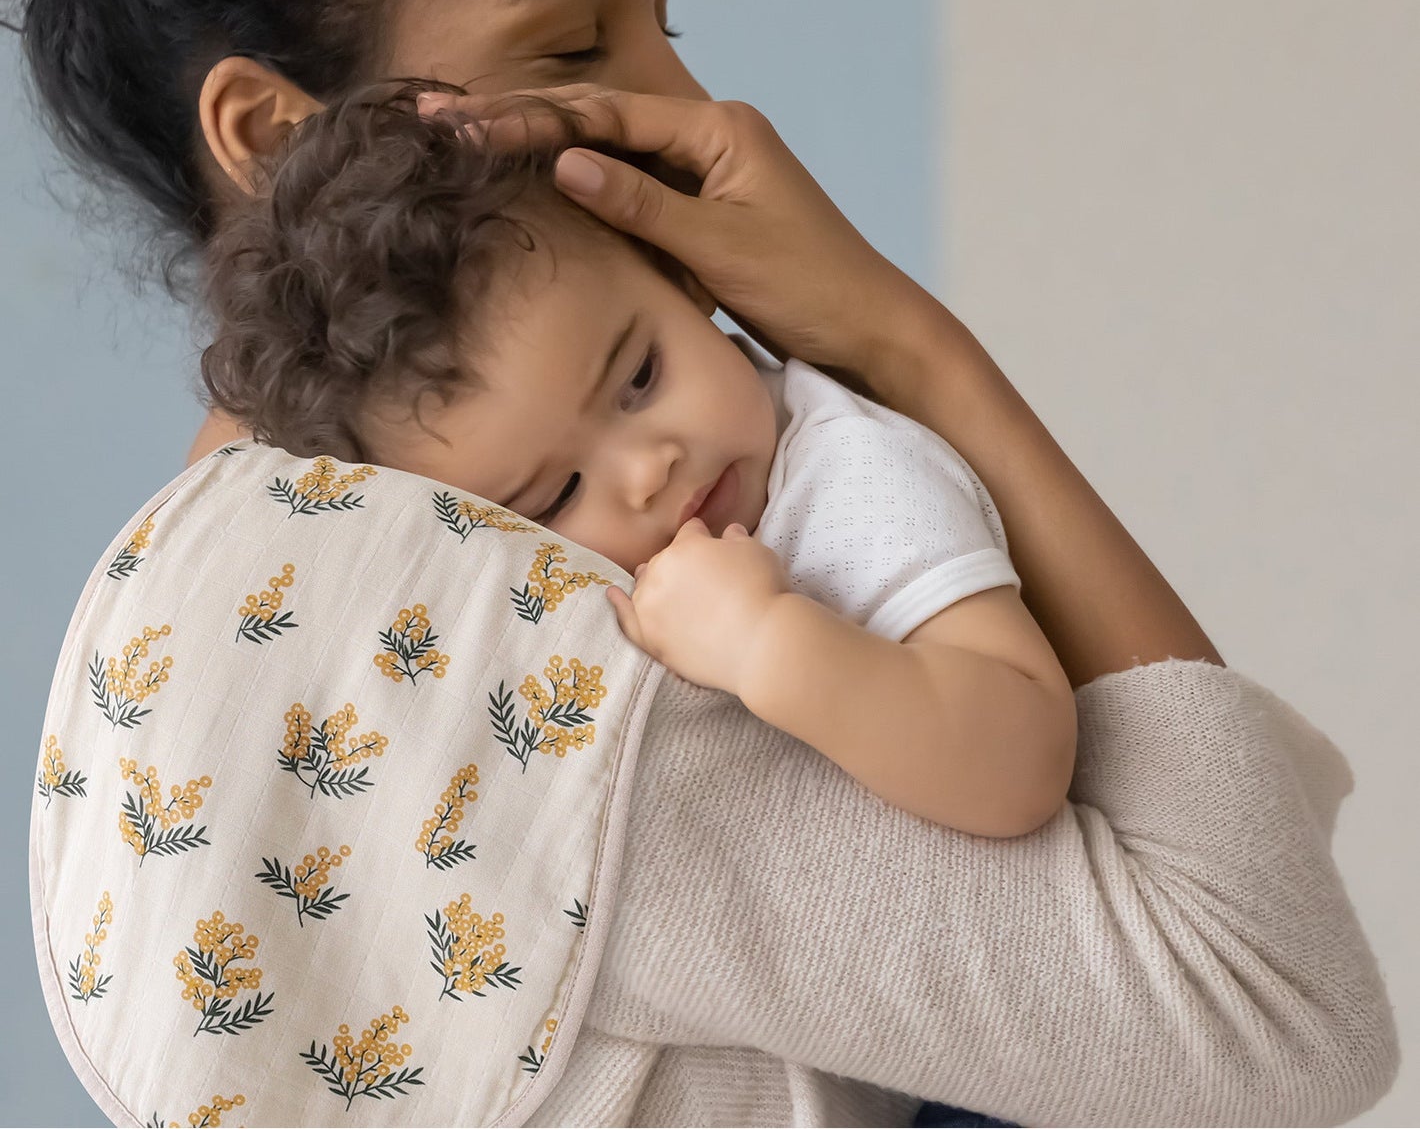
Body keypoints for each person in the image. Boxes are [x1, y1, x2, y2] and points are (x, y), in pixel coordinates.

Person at [5, 0, 1397, 1124]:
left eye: (665, 24)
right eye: (572, 40)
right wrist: (907, 348)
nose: (690, 108)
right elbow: (1276, 1017)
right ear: (277, 138)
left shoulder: (162, 619)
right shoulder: (527, 630)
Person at [199, 80, 1080, 842]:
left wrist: (767, 645)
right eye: (557, 495)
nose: (649, 470)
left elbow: (1025, 754)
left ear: (682, 278)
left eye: (641, 376)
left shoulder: (847, 480)